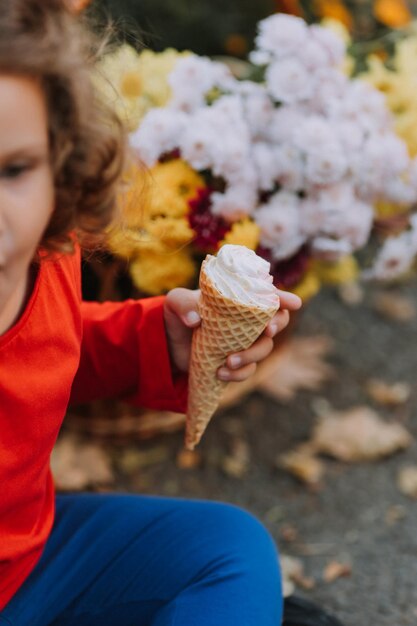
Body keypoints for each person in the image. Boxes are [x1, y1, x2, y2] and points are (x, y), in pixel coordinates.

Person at [0, 1, 342, 625]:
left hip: (24, 560)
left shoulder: (42, 255)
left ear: (62, 164)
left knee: (231, 553)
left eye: (14, 170)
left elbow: (45, 349)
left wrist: (154, 340)